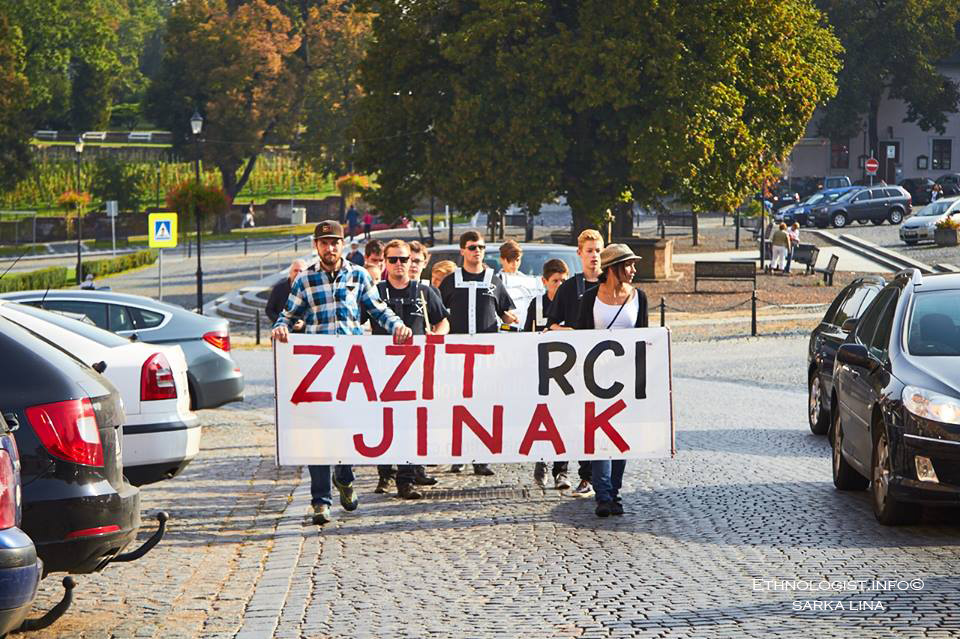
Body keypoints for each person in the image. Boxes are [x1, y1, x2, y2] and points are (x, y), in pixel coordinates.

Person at [272, 220, 413, 525]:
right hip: (317, 369)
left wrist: (397, 326)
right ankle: (320, 501)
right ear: (316, 246)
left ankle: (345, 477)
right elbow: (286, 315)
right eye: (324, 242)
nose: (330, 247)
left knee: (347, 432)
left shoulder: (358, 275)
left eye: (335, 242)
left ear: (342, 245)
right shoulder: (305, 280)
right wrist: (281, 328)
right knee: (317, 437)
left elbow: (377, 309)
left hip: (351, 368)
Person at [366, 239, 450, 498]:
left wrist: (437, 335)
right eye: (393, 260)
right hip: (383, 369)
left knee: (410, 424)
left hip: (416, 370)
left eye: (405, 259)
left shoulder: (424, 292)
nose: (400, 264)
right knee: (385, 423)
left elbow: (444, 321)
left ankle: (406, 479)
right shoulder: (374, 292)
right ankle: (384, 474)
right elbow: (355, 323)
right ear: (385, 262)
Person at [575, 243, 648, 518]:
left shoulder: (639, 297)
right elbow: (580, 339)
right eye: (628, 265)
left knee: (621, 437)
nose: (633, 270)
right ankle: (604, 495)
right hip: (595, 379)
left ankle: (614, 491)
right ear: (614, 268)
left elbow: (644, 339)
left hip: (627, 380)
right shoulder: (590, 298)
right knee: (599, 436)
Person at [438, 230, 517, 475]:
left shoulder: (494, 279)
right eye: (472, 247)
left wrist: (512, 321)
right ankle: (459, 455)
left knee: (483, 406)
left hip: (486, 355)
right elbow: (439, 313)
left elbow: (506, 311)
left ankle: (481, 457)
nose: (477, 251)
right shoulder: (451, 280)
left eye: (481, 247)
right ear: (462, 250)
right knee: (458, 406)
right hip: (456, 354)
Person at [544, 229, 604, 497]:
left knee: (597, 422)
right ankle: (562, 468)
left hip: (604, 369)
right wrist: (577, 335)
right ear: (580, 253)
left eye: (599, 250)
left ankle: (591, 477)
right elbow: (552, 325)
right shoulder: (569, 288)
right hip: (572, 368)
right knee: (570, 420)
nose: (595, 256)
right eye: (590, 251)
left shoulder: (610, 285)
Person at [524, 258, 571, 489]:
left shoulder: (574, 304)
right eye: (555, 281)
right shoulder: (538, 305)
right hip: (542, 372)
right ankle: (541, 461)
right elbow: (526, 335)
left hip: (566, 373)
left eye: (564, 280)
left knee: (565, 421)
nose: (560, 285)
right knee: (544, 420)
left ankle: (561, 471)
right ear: (545, 282)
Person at [497, 240, 543, 330]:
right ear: (502, 259)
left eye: (517, 260)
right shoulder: (495, 283)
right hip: (504, 331)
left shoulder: (530, 282)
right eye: (510, 260)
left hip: (527, 330)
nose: (514, 264)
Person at [265, 259, 307, 329]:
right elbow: (269, 310)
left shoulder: (311, 289)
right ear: (290, 272)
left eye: (301, 271)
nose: (298, 273)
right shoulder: (278, 288)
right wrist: (281, 322)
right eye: (295, 270)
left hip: (305, 334)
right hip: (282, 331)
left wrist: (304, 324)